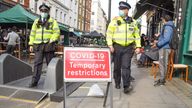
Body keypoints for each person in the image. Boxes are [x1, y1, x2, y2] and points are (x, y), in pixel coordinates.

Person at [106, 1, 141, 94]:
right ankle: (117, 82)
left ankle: (126, 86)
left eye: (122, 9)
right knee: (117, 67)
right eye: (119, 9)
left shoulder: (133, 22)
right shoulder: (114, 21)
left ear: (127, 10)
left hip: (128, 48)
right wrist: (110, 45)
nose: (120, 11)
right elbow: (109, 33)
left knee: (126, 66)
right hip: (117, 47)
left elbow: (137, 35)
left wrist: (138, 46)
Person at [29, 3, 60, 87]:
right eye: (42, 11)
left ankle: (53, 81)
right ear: (40, 11)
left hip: (48, 45)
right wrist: (31, 44)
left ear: (48, 11)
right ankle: (34, 81)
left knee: (50, 63)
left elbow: (57, 32)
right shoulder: (36, 21)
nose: (43, 12)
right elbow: (32, 33)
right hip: (38, 45)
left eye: (45, 10)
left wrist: (52, 39)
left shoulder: (52, 21)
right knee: (37, 63)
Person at [152, 14, 174, 86]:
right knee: (162, 64)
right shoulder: (168, 26)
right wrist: (159, 39)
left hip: (165, 48)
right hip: (164, 47)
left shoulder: (168, 26)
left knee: (163, 64)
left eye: (162, 20)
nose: (162, 21)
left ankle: (162, 80)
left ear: (165, 19)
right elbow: (165, 37)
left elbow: (166, 39)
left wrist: (158, 44)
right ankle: (162, 79)